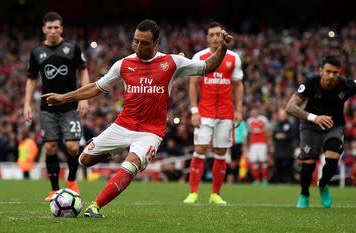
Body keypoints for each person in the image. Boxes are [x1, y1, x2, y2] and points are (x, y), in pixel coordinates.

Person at [43, 19, 233, 218]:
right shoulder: (124, 64)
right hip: (122, 126)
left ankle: (95, 207)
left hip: (150, 132)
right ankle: (117, 149)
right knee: (84, 159)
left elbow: (208, 66)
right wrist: (64, 98)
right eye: (136, 41)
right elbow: (96, 87)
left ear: (156, 43)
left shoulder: (172, 62)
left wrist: (222, 49)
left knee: (130, 164)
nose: (138, 46)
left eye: (144, 43)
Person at [24, 11, 89, 200]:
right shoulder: (36, 52)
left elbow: (83, 71)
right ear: (44, 29)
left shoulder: (72, 48)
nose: (53, 31)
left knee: (73, 147)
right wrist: (27, 104)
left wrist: (84, 97)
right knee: (51, 147)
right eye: (49, 27)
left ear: (61, 28)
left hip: (70, 105)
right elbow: (31, 79)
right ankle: (54, 190)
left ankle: (71, 182)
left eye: (56, 27)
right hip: (47, 107)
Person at [183, 22, 244, 205]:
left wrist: (239, 110)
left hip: (226, 113)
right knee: (200, 149)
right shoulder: (199, 56)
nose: (216, 37)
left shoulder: (234, 58)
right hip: (205, 112)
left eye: (219, 34)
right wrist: (194, 110)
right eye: (213, 35)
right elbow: (193, 84)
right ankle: (193, 192)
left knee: (221, 152)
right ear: (208, 38)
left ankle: (215, 194)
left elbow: (238, 84)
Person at [286, 55, 356, 208]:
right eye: (328, 71)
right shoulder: (310, 83)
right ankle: (304, 194)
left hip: (334, 126)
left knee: (332, 162)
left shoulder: (346, 85)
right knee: (308, 165)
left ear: (339, 72)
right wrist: (314, 117)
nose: (331, 76)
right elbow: (290, 107)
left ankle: (323, 184)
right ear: (320, 71)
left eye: (335, 72)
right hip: (310, 126)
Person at [247, 107, 271, 185]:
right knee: (254, 161)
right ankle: (256, 180)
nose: (253, 112)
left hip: (262, 143)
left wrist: (268, 142)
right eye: (252, 111)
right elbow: (249, 134)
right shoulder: (249, 121)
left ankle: (265, 179)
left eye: (255, 111)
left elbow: (268, 130)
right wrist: (248, 145)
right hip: (253, 143)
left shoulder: (263, 119)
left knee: (263, 160)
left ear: (258, 111)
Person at [271, 108, 295, 183]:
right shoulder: (277, 125)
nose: (282, 116)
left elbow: (292, 135)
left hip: (287, 151)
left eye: (283, 115)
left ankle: (289, 181)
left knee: (288, 167)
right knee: (278, 167)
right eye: (281, 115)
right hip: (278, 151)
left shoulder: (290, 124)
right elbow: (273, 136)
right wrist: (276, 136)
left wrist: (284, 136)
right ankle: (278, 181)